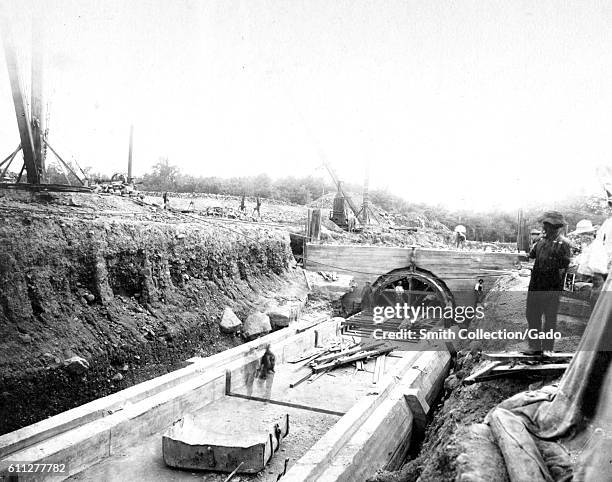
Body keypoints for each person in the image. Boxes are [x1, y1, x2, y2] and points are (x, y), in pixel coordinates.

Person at [524, 211, 571, 354]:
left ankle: (547, 348)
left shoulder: (564, 244)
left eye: (549, 226)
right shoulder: (540, 242)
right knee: (532, 315)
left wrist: (563, 287)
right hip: (536, 283)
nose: (546, 229)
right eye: (545, 225)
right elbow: (531, 256)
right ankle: (534, 346)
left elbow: (566, 267)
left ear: (556, 227)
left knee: (550, 317)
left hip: (552, 284)